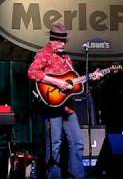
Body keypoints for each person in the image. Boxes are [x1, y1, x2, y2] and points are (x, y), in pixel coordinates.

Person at [28, 23, 103, 178]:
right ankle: (53, 176)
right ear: (52, 40)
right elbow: (32, 72)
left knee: (77, 142)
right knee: (54, 144)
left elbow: (73, 81)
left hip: (68, 107)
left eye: (64, 41)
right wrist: (57, 83)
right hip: (52, 106)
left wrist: (92, 77)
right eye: (60, 41)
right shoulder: (44, 54)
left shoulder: (67, 58)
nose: (63, 44)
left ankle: (77, 175)